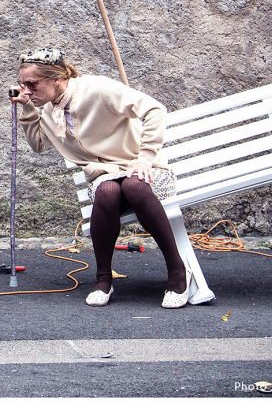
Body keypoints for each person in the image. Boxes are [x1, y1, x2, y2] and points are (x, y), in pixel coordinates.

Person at [10, 47, 190, 308]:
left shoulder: (96, 89)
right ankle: (103, 279)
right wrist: (27, 108)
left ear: (56, 79)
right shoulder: (49, 110)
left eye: (32, 84)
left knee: (134, 185)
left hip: (144, 170)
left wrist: (145, 157)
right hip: (105, 176)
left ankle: (177, 271)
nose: (26, 90)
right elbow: (38, 145)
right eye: (22, 84)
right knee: (107, 191)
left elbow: (155, 110)